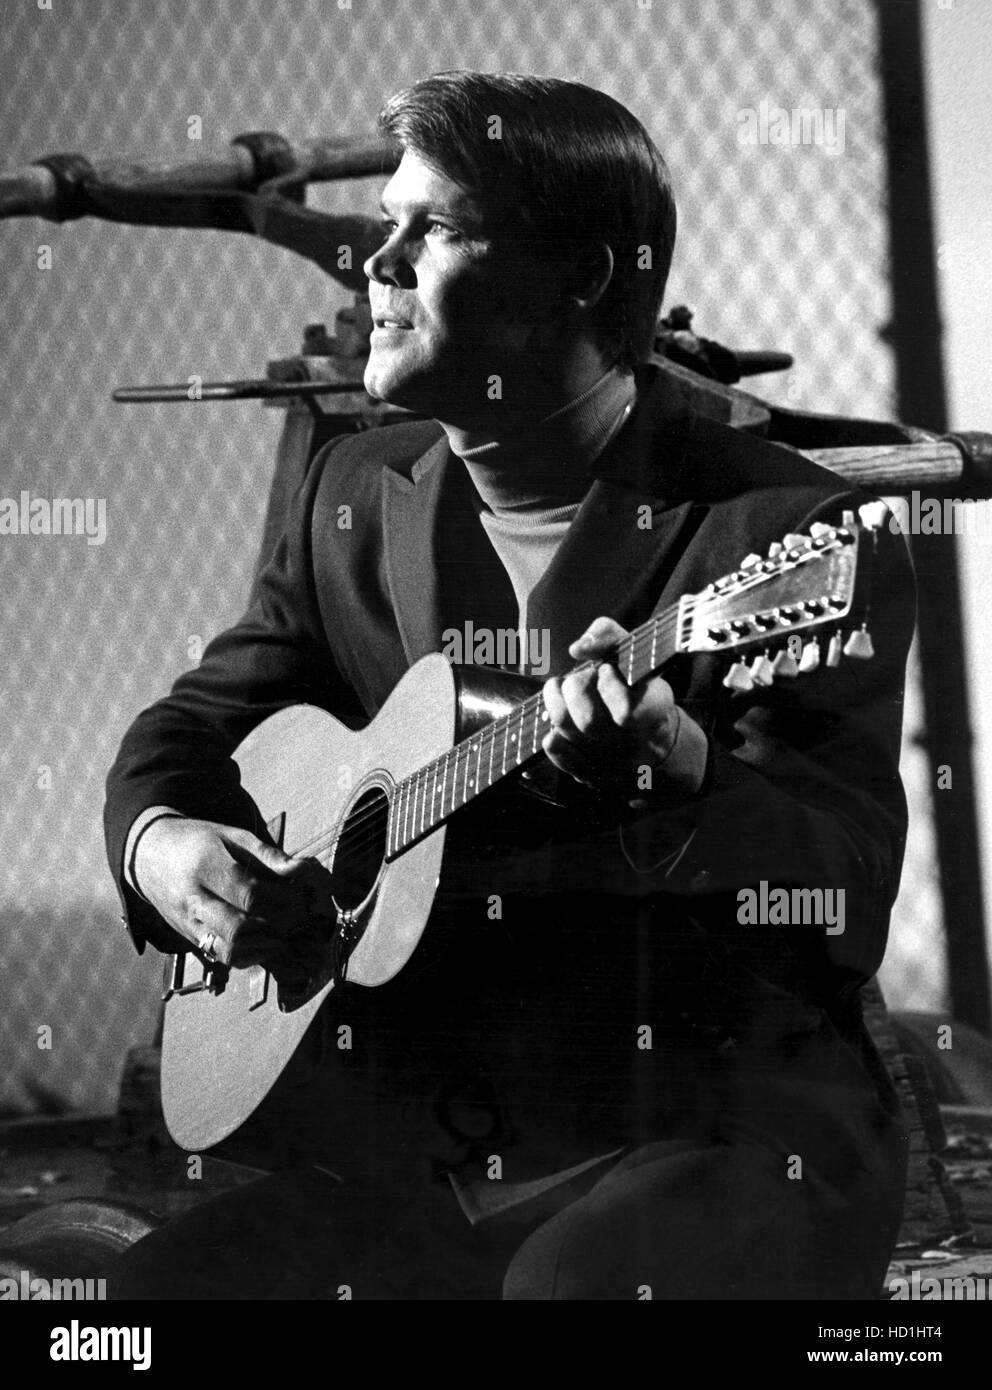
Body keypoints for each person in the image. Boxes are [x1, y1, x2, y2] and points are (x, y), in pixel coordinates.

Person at [104, 71, 915, 1300]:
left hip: (710, 1128)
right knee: (152, 1304)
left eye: (429, 228)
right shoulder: (352, 495)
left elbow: (840, 896)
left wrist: (683, 780)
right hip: (429, 1145)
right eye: (385, 222)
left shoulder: (785, 532)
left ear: (578, 278)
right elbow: (196, 724)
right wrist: (160, 842)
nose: (375, 263)